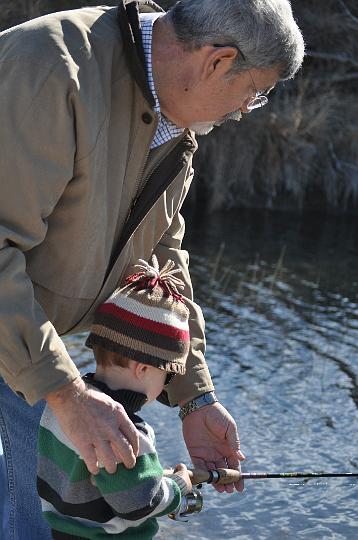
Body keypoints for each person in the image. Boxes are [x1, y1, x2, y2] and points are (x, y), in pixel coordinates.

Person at [0, 1, 304, 538]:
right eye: (254, 95)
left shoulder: (173, 119)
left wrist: (195, 398)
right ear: (217, 62)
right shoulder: (49, 67)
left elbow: (160, 258)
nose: (243, 112)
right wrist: (68, 396)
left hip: (20, 344)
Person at [37, 256, 193, 539]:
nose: (166, 384)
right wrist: (178, 486)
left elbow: (106, 482)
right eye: (168, 375)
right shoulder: (124, 430)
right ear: (143, 368)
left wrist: (150, 476)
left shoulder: (62, 407)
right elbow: (140, 503)